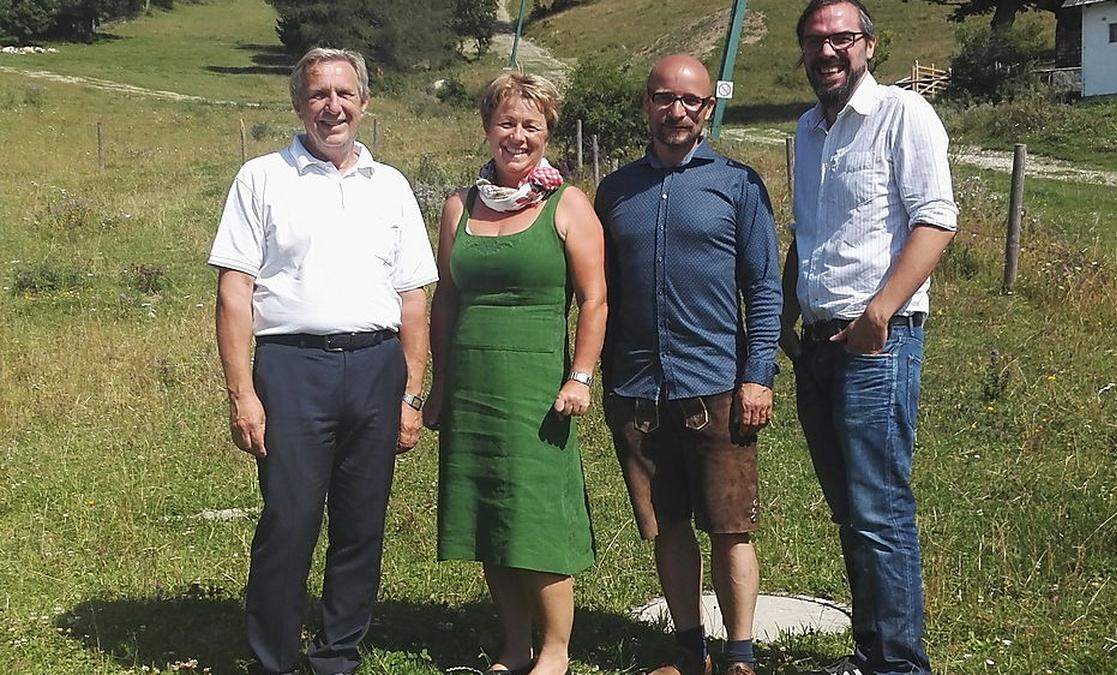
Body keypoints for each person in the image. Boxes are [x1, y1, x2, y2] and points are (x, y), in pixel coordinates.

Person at [209, 47, 437, 675]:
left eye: (344, 94)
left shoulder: (389, 186)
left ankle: (337, 656)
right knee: (289, 521)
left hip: (376, 367)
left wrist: (411, 394)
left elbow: (412, 298)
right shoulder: (261, 178)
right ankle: (273, 661)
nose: (331, 107)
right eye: (318, 95)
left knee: (361, 527)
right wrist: (241, 394)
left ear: (364, 103)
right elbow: (234, 290)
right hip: (291, 369)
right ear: (297, 104)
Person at [781, 1, 958, 673]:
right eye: (815, 41)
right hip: (819, 345)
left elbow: (935, 221)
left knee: (880, 512)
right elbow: (812, 231)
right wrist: (787, 319)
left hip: (876, 342)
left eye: (842, 39)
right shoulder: (806, 130)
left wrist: (879, 313)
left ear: (870, 46)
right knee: (850, 511)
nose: (828, 51)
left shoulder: (903, 114)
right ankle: (869, 653)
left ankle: (901, 664)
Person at [595, 54, 782, 675]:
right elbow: (599, 292)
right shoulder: (616, 190)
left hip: (718, 386)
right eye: (664, 98)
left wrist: (758, 374)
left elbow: (764, 287)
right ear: (647, 103)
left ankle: (740, 654)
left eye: (692, 101)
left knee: (730, 527)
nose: (678, 111)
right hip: (638, 389)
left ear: (708, 109)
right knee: (667, 526)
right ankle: (688, 649)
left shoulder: (737, 184)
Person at [424, 72, 606, 675]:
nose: (518, 136)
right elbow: (445, 300)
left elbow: (596, 299)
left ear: (549, 132)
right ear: (487, 128)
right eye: (507, 123)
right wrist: (439, 381)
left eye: (531, 125)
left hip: (538, 390)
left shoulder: (568, 203)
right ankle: (513, 647)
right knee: (490, 513)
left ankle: (555, 651)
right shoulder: (458, 205)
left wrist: (579, 376)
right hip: (473, 385)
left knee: (537, 515)